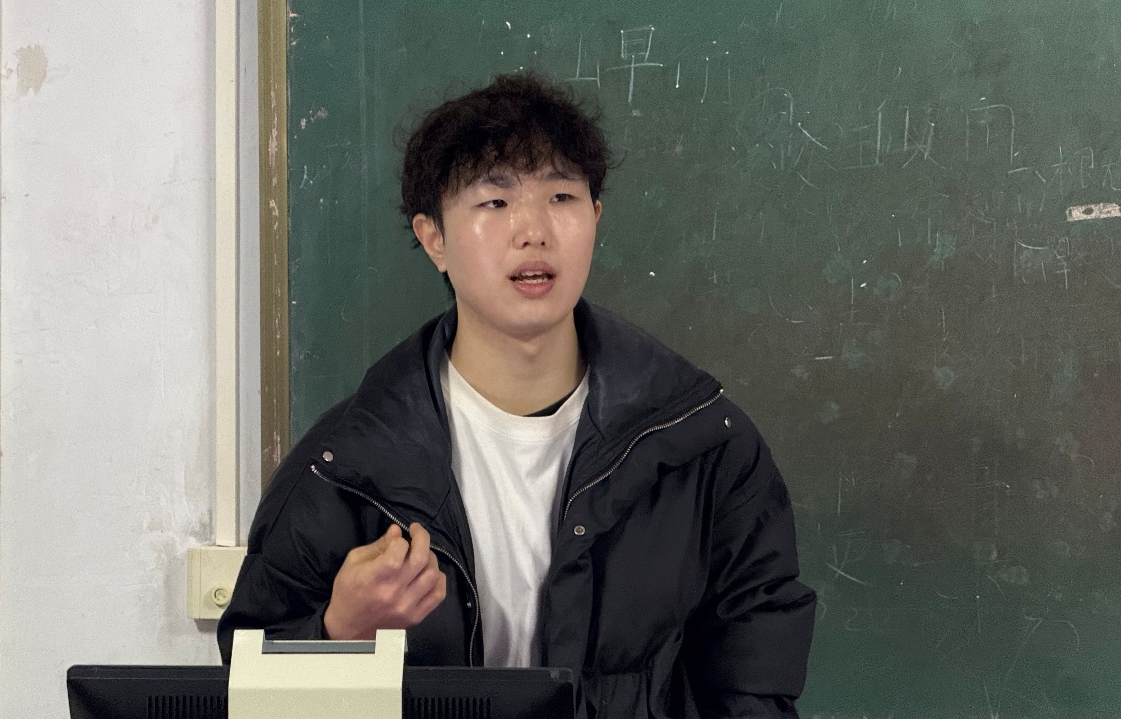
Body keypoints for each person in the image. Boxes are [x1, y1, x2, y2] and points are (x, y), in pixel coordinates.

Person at [218, 72, 816, 717]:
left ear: (595, 218)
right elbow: (255, 698)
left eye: (562, 196)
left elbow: (755, 679)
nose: (533, 230)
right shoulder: (345, 465)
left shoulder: (702, 445)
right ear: (434, 239)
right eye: (495, 202)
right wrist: (342, 633)